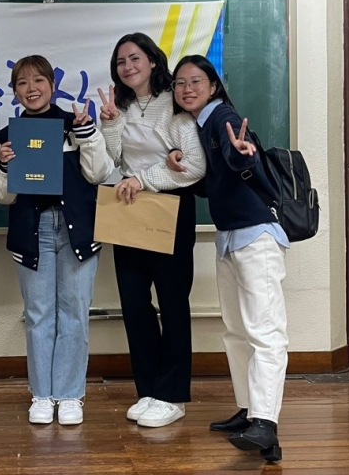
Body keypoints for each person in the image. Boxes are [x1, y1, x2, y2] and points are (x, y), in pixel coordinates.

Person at [169, 55, 288, 463]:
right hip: (229, 239)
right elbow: (217, 184)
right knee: (237, 331)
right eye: (180, 83)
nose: (187, 89)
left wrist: (241, 152)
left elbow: (242, 158)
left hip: (255, 238)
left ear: (213, 86)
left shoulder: (222, 117)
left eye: (196, 81)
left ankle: (266, 424)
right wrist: (183, 166)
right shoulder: (199, 127)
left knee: (265, 331)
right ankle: (249, 411)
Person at [0, 55, 113, 426]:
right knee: (39, 314)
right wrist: (5, 165)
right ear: (14, 92)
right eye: (23, 83)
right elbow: (2, 196)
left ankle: (70, 394)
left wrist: (88, 135)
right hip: (33, 230)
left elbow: (100, 173)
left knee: (74, 313)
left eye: (39, 80)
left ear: (53, 85)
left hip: (76, 228)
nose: (32, 88)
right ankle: (42, 395)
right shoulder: (7, 136)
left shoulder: (73, 124)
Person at [97, 32, 205, 428]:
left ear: (154, 62)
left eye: (135, 58)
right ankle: (149, 390)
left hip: (171, 210)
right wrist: (108, 125)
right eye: (121, 61)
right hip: (128, 208)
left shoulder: (175, 103)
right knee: (135, 304)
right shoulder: (118, 106)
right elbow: (110, 160)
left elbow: (193, 165)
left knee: (173, 304)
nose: (128, 66)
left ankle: (173, 394)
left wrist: (143, 179)